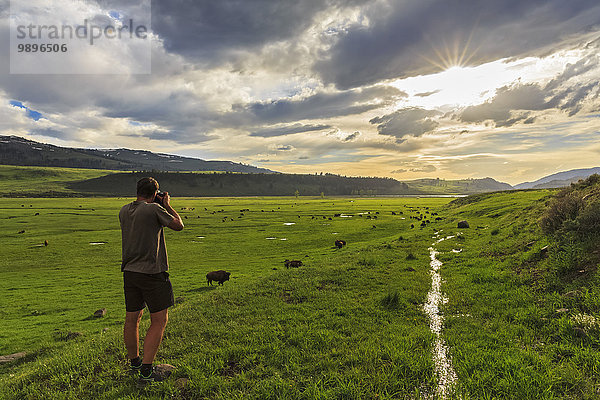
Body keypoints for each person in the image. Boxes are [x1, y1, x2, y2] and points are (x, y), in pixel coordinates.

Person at [119, 177, 184, 385]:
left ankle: (135, 364)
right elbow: (178, 226)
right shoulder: (153, 210)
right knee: (159, 320)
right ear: (155, 194)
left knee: (132, 319)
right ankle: (147, 372)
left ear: (137, 191)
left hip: (130, 271)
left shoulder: (124, 211)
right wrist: (167, 205)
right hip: (152, 273)